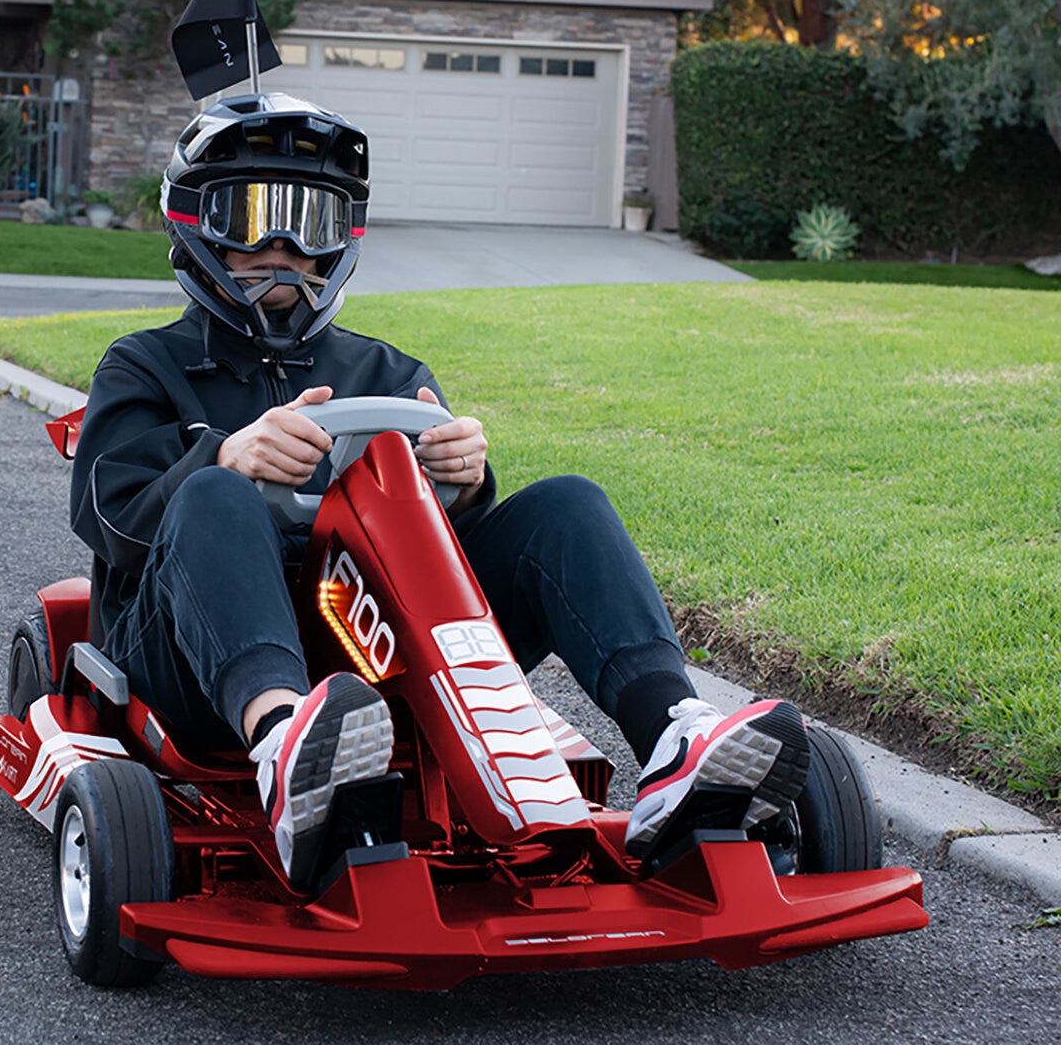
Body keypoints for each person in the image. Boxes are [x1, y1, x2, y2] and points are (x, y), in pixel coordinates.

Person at [70, 93, 810, 891]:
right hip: (192, 661)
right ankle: (290, 747)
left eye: (306, 220)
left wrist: (461, 485)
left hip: (375, 655)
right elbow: (107, 518)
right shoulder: (144, 366)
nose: (279, 244)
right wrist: (226, 458)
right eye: (248, 216)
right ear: (196, 223)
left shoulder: (388, 374)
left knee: (568, 503)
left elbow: (439, 557)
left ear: (339, 237)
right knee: (216, 495)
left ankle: (675, 734)